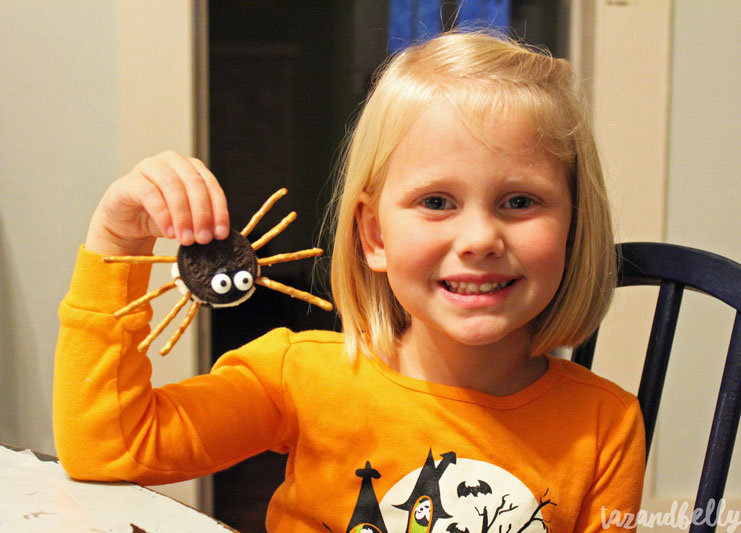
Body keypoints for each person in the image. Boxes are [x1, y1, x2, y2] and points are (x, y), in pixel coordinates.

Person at [54, 31, 645, 532]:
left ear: (573, 228)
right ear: (375, 237)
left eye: (520, 201)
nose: (479, 239)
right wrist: (119, 245)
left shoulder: (605, 428)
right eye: (436, 201)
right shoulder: (300, 375)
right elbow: (107, 445)